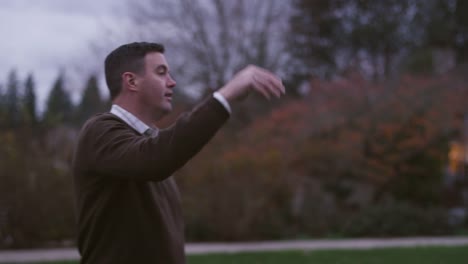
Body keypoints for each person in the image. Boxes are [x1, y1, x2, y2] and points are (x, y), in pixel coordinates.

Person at [72, 42, 285, 264]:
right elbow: (155, 159)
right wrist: (224, 96)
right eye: (161, 72)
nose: (172, 82)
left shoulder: (151, 143)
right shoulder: (99, 132)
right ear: (131, 81)